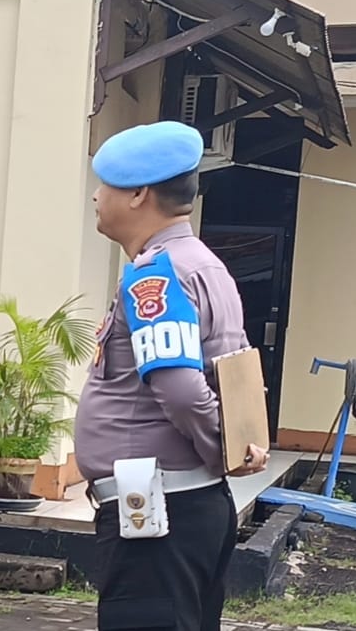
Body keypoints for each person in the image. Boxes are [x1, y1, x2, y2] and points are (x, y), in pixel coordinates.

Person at [75, 121, 271, 631]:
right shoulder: (206, 266)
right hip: (190, 508)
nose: (96, 196)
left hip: (157, 516)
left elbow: (181, 390)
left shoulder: (156, 276)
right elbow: (234, 375)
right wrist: (234, 445)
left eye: (105, 185)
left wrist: (221, 448)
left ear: (138, 194)